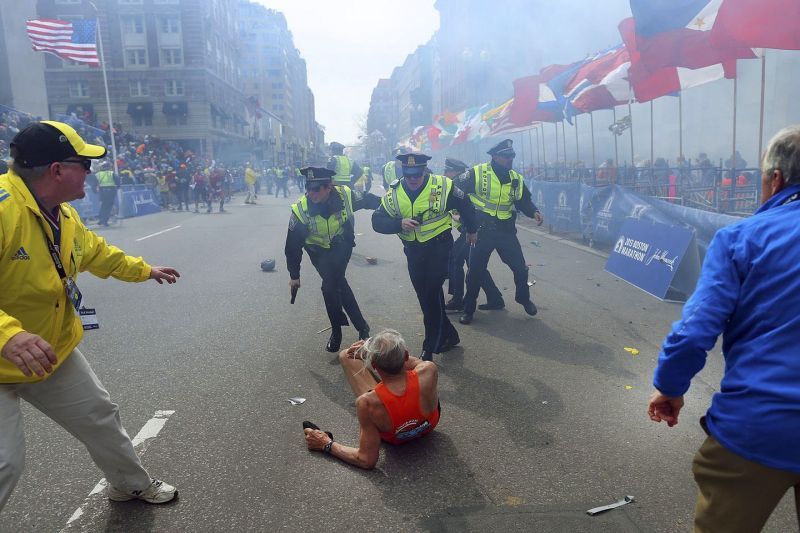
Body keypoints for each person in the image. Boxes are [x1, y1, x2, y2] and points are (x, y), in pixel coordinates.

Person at [0, 121, 180, 511]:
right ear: (57, 170)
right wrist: (8, 335)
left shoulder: (62, 214)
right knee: (4, 462)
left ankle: (129, 484)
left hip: (51, 349)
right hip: (6, 351)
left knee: (100, 415)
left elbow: (95, 252)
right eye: (84, 163)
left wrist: (143, 269)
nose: (91, 171)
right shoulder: (2, 210)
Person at [647, 126, 800, 531]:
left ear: (776, 179)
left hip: (757, 427)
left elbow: (694, 331)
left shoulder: (741, 238)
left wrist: (670, 387)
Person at [372, 152, 477, 360]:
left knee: (431, 293)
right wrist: (398, 223)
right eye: (408, 174)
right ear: (403, 172)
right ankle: (449, 335)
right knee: (427, 298)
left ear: (424, 170)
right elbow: (377, 221)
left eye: (416, 174)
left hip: (439, 247)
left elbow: (466, 205)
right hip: (414, 251)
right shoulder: (394, 192)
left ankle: (430, 348)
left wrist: (472, 230)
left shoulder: (442, 185)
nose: (412, 179)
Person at [303, 330, 440, 469]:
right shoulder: (429, 369)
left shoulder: (367, 403)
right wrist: (383, 354)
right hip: (428, 424)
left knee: (346, 355)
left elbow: (366, 460)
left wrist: (326, 444)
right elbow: (412, 362)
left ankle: (384, 376)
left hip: (396, 437)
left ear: (373, 365)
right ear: (405, 355)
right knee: (402, 379)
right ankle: (389, 366)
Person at [285, 167, 380, 352]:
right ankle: (362, 328)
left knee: (329, 287)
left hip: (340, 245)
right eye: (308, 188)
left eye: (316, 188)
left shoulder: (346, 195)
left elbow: (370, 200)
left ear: (329, 187)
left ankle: (337, 332)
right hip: (317, 251)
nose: (311, 193)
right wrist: (294, 275)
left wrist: (391, 210)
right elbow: (292, 246)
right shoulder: (301, 210)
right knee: (339, 286)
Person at [456, 139, 543, 325]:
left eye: (512, 156)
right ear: (495, 157)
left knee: (520, 269)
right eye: (506, 156)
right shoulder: (478, 172)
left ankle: (523, 298)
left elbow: (523, 201)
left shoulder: (515, 178)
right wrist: (465, 216)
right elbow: (456, 189)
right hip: (482, 231)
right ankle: (468, 309)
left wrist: (534, 211)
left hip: (506, 232)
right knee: (475, 273)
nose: (510, 159)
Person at [442, 157, 502, 312]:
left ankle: (458, 299)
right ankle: (495, 297)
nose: (445, 174)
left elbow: (471, 209)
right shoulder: (455, 184)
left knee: (456, 258)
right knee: (475, 265)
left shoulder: (463, 186)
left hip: (474, 230)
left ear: (456, 172)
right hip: (470, 229)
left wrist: (460, 218)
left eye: (447, 171)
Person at [94, 161, 118, 226]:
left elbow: (94, 182)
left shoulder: (98, 174)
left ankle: (101, 220)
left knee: (103, 206)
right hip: (110, 192)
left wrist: (95, 190)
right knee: (108, 207)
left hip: (102, 192)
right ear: (108, 167)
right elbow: (117, 181)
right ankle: (105, 221)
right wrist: (118, 187)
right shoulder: (111, 173)